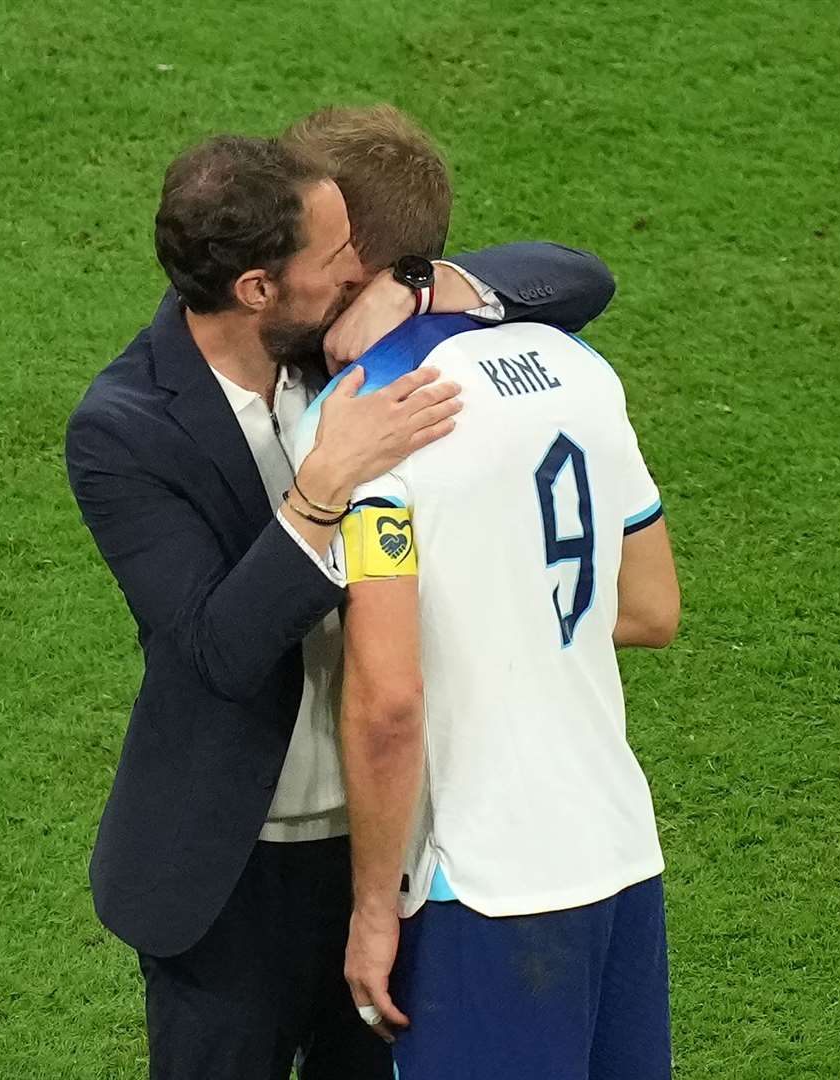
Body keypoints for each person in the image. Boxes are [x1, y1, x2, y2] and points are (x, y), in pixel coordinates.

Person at [65, 127, 619, 1079]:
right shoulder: (125, 430)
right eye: (339, 260)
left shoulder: (339, 332)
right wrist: (323, 488)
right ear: (257, 290)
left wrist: (425, 286)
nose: (361, 271)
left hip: (386, 849)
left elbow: (576, 280)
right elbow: (217, 652)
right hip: (227, 878)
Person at [287, 106, 682, 1079]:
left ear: (350, 253)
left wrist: (373, 909)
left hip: (484, 886)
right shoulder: (576, 363)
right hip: (618, 856)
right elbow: (650, 609)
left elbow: (388, 702)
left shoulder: (363, 422)